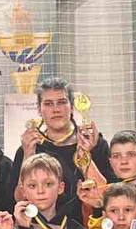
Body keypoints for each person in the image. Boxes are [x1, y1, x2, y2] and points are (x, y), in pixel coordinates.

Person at [13, 77, 112, 207]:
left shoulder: (96, 144)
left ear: (72, 107)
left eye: (61, 102)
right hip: (44, 219)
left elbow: (109, 198)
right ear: (39, 109)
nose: (56, 109)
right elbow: (20, 200)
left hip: (89, 219)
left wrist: (85, 156)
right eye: (48, 104)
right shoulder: (28, 148)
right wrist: (28, 155)